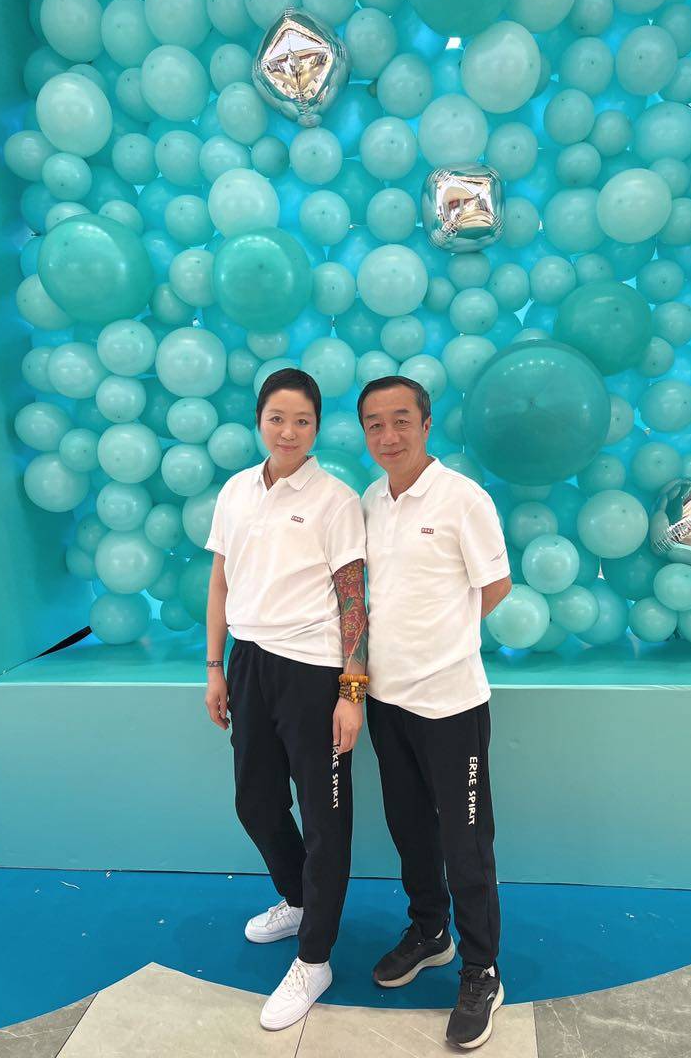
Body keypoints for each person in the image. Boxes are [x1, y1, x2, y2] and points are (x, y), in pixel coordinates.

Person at [204, 367, 368, 1032]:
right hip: (248, 662)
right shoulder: (236, 491)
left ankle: (315, 958)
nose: (289, 431)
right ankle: (299, 900)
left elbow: (354, 599)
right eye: (277, 418)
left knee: (326, 819)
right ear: (259, 421)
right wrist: (215, 666)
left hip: (313, 672)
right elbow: (220, 580)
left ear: (317, 427)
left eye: (302, 421)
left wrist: (352, 691)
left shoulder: (336, 500)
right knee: (256, 801)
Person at [358, 375, 512, 1050]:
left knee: (466, 843)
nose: (388, 435)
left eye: (401, 420)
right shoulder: (371, 500)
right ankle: (430, 932)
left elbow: (496, 584)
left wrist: (445, 641)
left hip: (451, 704)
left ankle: (482, 969)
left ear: (426, 424)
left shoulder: (462, 498)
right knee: (410, 829)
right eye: (375, 424)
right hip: (386, 701)